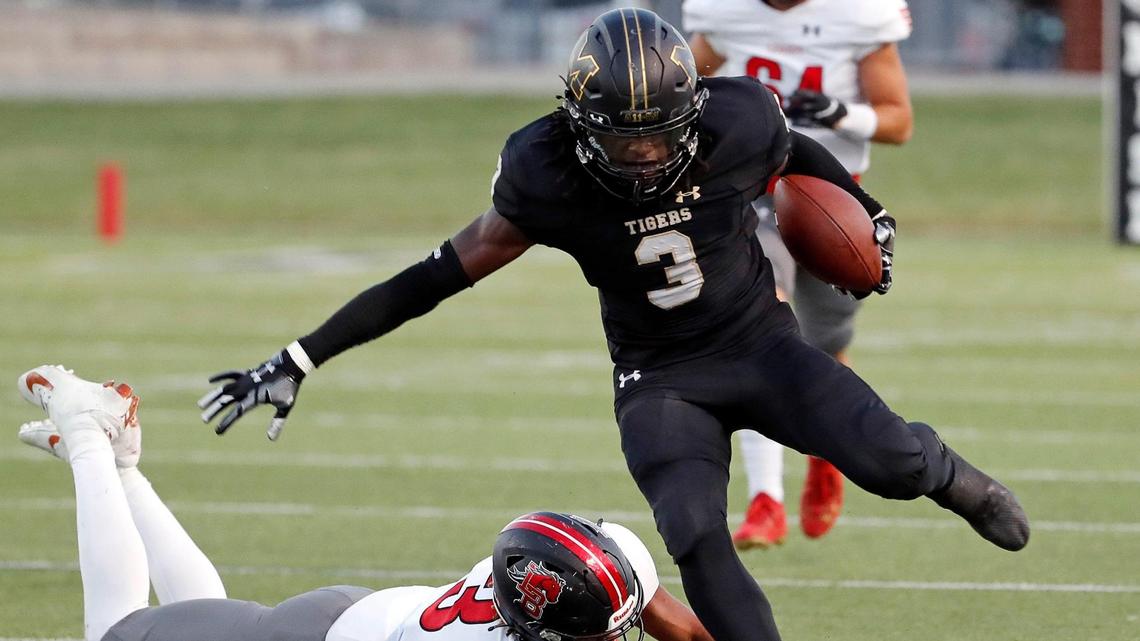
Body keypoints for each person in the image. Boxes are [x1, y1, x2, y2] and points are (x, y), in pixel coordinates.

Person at [197, 9, 1029, 641]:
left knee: (893, 460)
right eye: (621, 142)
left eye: (657, 140)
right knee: (695, 535)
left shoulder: (735, 119)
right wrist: (303, 355)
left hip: (763, 345)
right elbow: (435, 276)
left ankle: (964, 481)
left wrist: (869, 215)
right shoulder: (544, 172)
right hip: (660, 379)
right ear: (577, 122)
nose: (642, 158)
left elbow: (795, 153)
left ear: (691, 114)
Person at [16, 363, 715, 641]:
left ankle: (121, 466)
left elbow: (682, 630)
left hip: (366, 610)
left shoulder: (608, 557)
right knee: (117, 631)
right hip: (316, 636)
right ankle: (84, 428)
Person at [682, 0, 916, 548]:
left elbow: (899, 121)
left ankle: (827, 453)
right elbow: (681, 88)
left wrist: (840, 113)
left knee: (827, 344)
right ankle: (767, 501)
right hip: (749, 194)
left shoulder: (859, 16)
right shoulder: (725, 14)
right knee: (761, 322)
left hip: (831, 200)